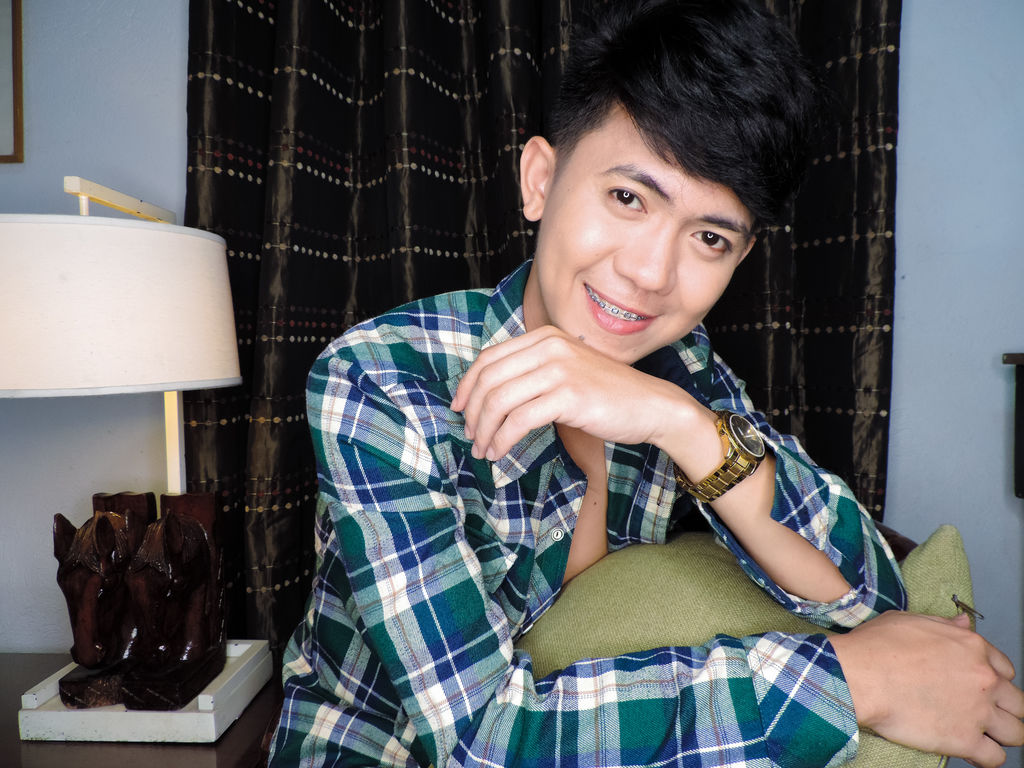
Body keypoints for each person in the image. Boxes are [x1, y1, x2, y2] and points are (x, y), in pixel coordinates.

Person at [268, 1, 1024, 766]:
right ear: (540, 180)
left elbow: (871, 596)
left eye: (709, 237)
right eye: (628, 198)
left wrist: (680, 422)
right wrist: (853, 682)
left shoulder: (678, 367)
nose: (651, 274)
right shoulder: (382, 381)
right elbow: (481, 742)